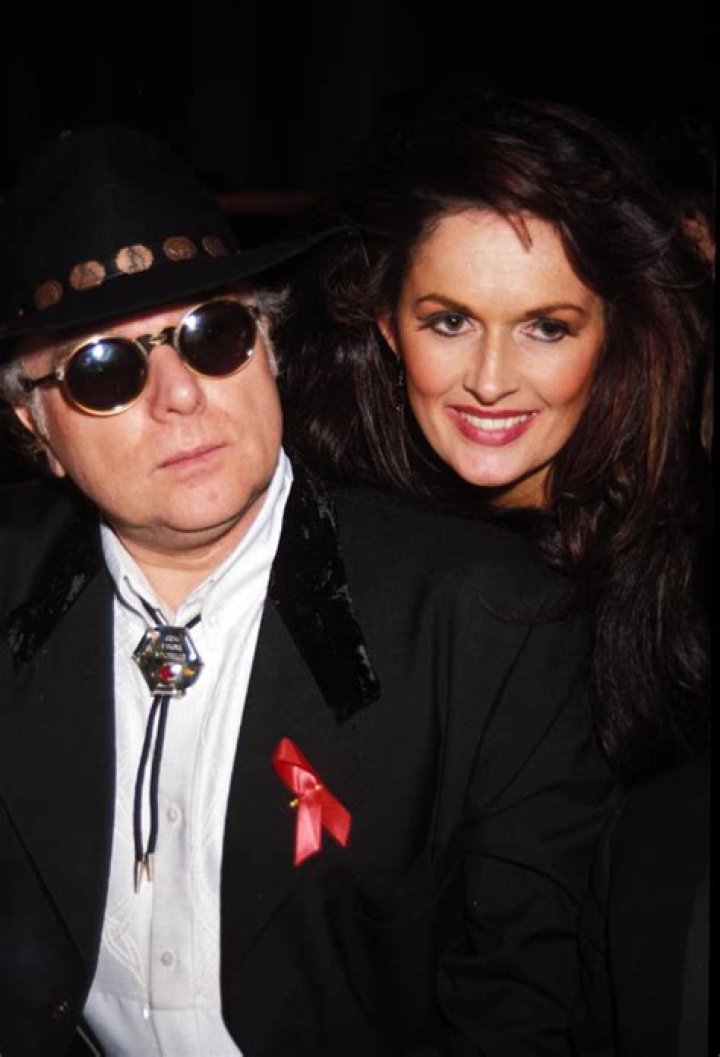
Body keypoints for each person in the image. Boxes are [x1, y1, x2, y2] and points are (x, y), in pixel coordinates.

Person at [0, 126, 617, 1057]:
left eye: (213, 336)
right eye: (104, 370)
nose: (179, 395)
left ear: (268, 347)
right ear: (35, 424)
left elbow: (522, 1009)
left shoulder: (486, 621)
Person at [280, 91, 711, 783]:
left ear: (613, 337)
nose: (489, 381)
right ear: (387, 325)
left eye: (547, 328)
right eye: (450, 322)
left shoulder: (679, 541)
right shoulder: (323, 534)